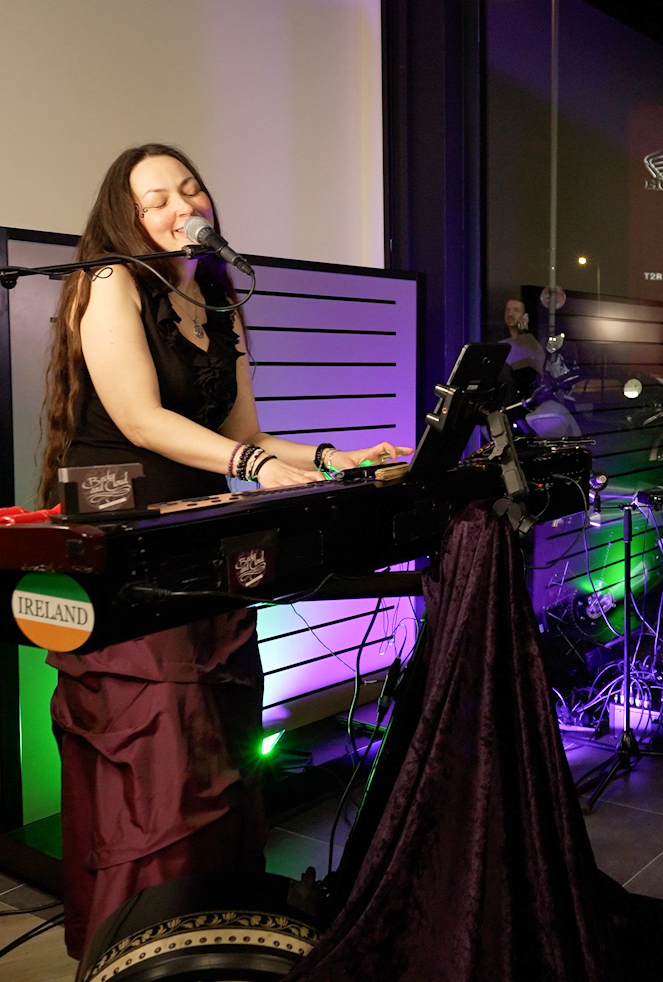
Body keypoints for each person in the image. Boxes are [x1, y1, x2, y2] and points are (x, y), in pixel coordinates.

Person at [37, 143, 412, 957]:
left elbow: (246, 434)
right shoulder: (110, 281)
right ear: (125, 217)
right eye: (156, 200)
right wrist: (252, 466)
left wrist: (333, 459)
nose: (181, 207)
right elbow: (140, 420)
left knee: (222, 745)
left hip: (201, 538)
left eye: (191, 189)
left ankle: (216, 938)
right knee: (164, 754)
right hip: (128, 541)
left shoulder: (216, 295)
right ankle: (142, 948)